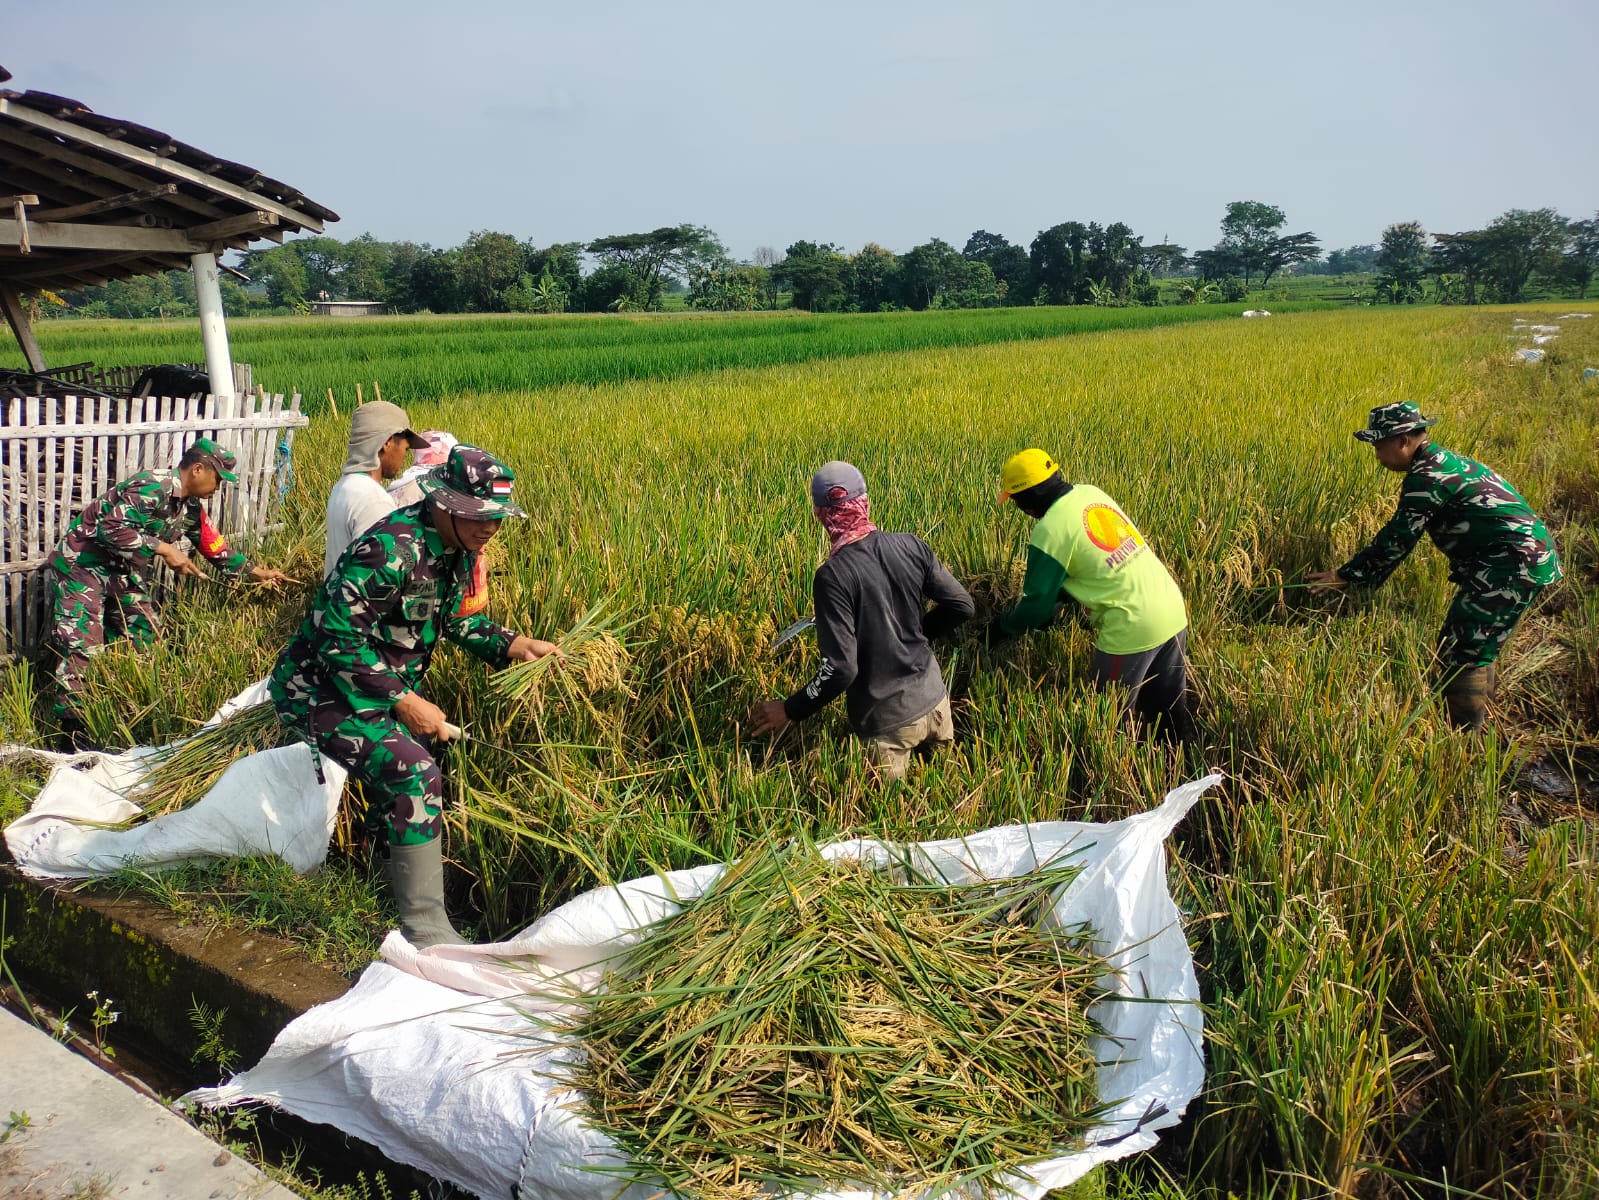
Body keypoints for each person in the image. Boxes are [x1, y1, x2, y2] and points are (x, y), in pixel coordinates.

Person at [270, 445, 561, 947]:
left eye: (497, 517)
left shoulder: (459, 551)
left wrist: (514, 644)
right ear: (444, 504)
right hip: (319, 688)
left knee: (416, 765)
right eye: (478, 515)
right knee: (414, 772)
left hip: (377, 688)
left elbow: (457, 620)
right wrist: (404, 701)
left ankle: (383, 887)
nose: (489, 527)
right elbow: (336, 639)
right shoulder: (390, 550)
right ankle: (426, 930)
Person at [1308, 402, 1562, 730]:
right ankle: (1480, 727)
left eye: (1379, 446)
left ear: (1402, 440)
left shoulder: (1427, 476)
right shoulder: (1444, 461)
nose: (1377, 455)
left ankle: (1464, 740)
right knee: (1477, 646)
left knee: (1460, 650)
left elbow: (1398, 539)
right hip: (1522, 558)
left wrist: (1346, 576)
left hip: (1509, 564)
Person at [47, 437, 289, 741]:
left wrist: (257, 573)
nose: (218, 488)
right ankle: (72, 733)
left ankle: (124, 704)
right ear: (198, 469)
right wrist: (163, 548)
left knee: (147, 633)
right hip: (82, 565)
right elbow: (110, 528)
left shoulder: (190, 508)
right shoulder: (152, 486)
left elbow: (214, 547)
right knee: (83, 644)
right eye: (217, 479)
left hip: (121, 570)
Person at [749, 461, 974, 780]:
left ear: (819, 515)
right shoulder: (911, 545)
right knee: (948, 797)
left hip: (888, 724)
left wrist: (789, 709)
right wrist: (915, 636)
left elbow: (841, 669)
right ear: (865, 502)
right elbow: (962, 606)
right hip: (936, 704)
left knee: (889, 812)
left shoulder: (832, 577)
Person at [992, 448, 1194, 744]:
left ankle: (1118, 771)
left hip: (1131, 626)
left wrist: (999, 629)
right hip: (1170, 606)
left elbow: (1036, 608)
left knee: (1106, 724)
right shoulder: (1091, 493)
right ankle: (1185, 765)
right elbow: (1097, 564)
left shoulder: (1050, 531)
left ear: (1028, 500)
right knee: (1170, 716)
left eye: (1016, 501)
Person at [324, 400, 429, 579]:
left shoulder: (343, 486)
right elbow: (377, 573)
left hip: (337, 593)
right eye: (405, 448)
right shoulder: (374, 500)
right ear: (388, 443)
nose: (405, 456)